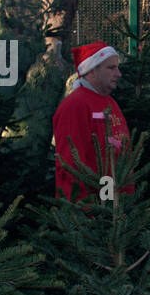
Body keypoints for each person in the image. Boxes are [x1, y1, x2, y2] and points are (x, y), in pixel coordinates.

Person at [52, 42, 133, 202]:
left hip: (114, 204)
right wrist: (84, 209)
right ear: (92, 71)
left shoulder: (110, 102)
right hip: (91, 211)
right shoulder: (75, 105)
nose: (118, 74)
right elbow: (70, 163)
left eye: (117, 67)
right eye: (111, 68)